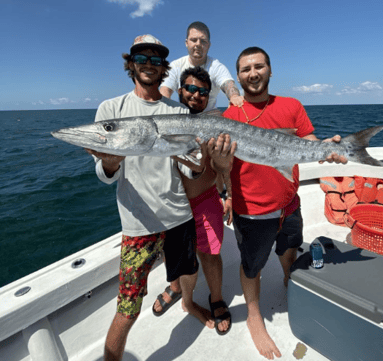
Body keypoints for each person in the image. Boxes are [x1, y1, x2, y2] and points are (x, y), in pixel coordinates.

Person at [86, 35, 228, 361]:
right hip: (138, 224)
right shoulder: (111, 110)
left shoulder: (177, 111)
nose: (149, 64)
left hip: (179, 214)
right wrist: (109, 162)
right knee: (129, 308)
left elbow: (187, 169)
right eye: (142, 57)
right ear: (131, 63)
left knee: (188, 270)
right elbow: (105, 174)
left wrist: (199, 162)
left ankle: (187, 301)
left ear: (164, 67)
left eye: (155, 59)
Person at [222, 46, 347, 360]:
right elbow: (221, 167)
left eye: (259, 66)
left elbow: (307, 141)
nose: (253, 73)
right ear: (238, 76)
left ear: (270, 70)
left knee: (289, 248)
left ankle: (292, 279)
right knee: (252, 267)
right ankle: (253, 313)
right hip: (251, 211)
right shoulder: (230, 116)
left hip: (290, 202)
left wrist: (328, 149)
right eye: (246, 69)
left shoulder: (291, 105)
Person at [153, 66, 234, 335]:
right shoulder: (166, 121)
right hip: (172, 205)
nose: (195, 95)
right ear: (180, 91)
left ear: (208, 97)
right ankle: (180, 292)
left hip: (205, 199)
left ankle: (216, 298)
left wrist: (228, 195)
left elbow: (225, 166)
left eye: (202, 92)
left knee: (210, 255)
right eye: (190, 88)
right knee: (173, 255)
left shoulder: (217, 125)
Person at [160, 21, 244, 110]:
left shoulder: (216, 66)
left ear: (209, 45)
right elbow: (165, 92)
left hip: (211, 118)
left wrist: (234, 97)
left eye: (203, 41)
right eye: (193, 40)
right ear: (186, 43)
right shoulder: (175, 66)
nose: (198, 44)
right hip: (184, 118)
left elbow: (228, 84)